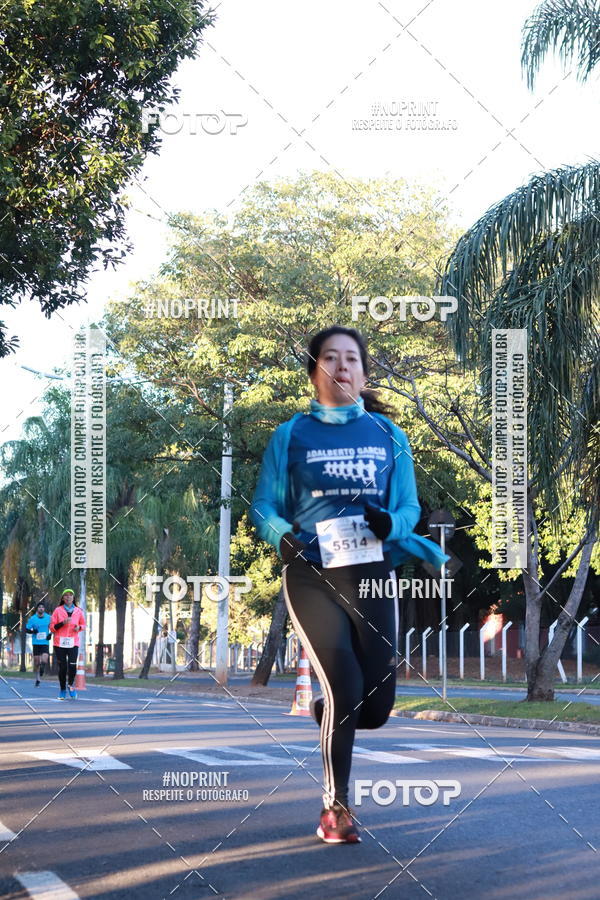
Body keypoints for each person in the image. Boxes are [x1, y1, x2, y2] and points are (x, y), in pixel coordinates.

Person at [250, 325, 449, 844]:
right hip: (311, 573)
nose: (342, 367)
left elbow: (407, 505)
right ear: (314, 370)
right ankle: (335, 808)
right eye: (331, 359)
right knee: (344, 684)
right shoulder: (290, 434)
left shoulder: (388, 435)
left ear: (364, 373)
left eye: (352, 359)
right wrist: (280, 534)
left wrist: (395, 525)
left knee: (376, 708)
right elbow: (263, 505)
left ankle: (327, 714)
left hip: (372, 572)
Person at [49, 588, 86, 700]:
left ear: (73, 598)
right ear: (63, 598)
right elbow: (52, 628)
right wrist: (62, 623)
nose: (68, 597)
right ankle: (62, 689)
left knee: (72, 665)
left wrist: (79, 627)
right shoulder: (57, 610)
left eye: (70, 595)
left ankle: (70, 685)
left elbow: (83, 625)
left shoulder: (78, 611)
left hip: (73, 642)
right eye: (66, 595)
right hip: (59, 642)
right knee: (63, 667)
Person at [25, 602, 52, 687]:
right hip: (36, 643)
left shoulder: (49, 617)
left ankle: (42, 669)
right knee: (37, 662)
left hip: (45, 642)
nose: (41, 609)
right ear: (37, 609)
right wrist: (33, 631)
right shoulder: (32, 619)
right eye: (39, 607)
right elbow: (27, 629)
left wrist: (50, 635)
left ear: (44, 609)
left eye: (42, 607)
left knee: (44, 660)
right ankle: (37, 678)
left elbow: (52, 627)